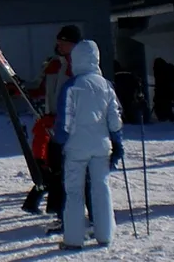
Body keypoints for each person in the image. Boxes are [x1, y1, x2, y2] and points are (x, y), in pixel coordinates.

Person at [53, 39, 123, 250]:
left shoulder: (72, 86)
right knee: (101, 189)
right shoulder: (106, 86)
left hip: (76, 147)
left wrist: (58, 144)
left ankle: (73, 238)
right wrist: (117, 143)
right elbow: (115, 118)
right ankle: (105, 234)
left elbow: (65, 121)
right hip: (101, 146)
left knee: (74, 192)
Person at [29, 25, 80, 224]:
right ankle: (57, 209)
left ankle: (67, 212)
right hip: (52, 123)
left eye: (63, 43)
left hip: (69, 126)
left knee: (66, 170)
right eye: (58, 42)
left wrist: (60, 118)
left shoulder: (78, 67)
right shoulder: (54, 65)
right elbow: (41, 88)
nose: (58, 46)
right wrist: (22, 89)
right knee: (52, 166)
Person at [152, 57, 174, 122]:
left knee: (164, 110)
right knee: (166, 110)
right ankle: (171, 122)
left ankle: (170, 122)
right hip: (165, 95)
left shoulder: (161, 73)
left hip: (164, 95)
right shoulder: (167, 71)